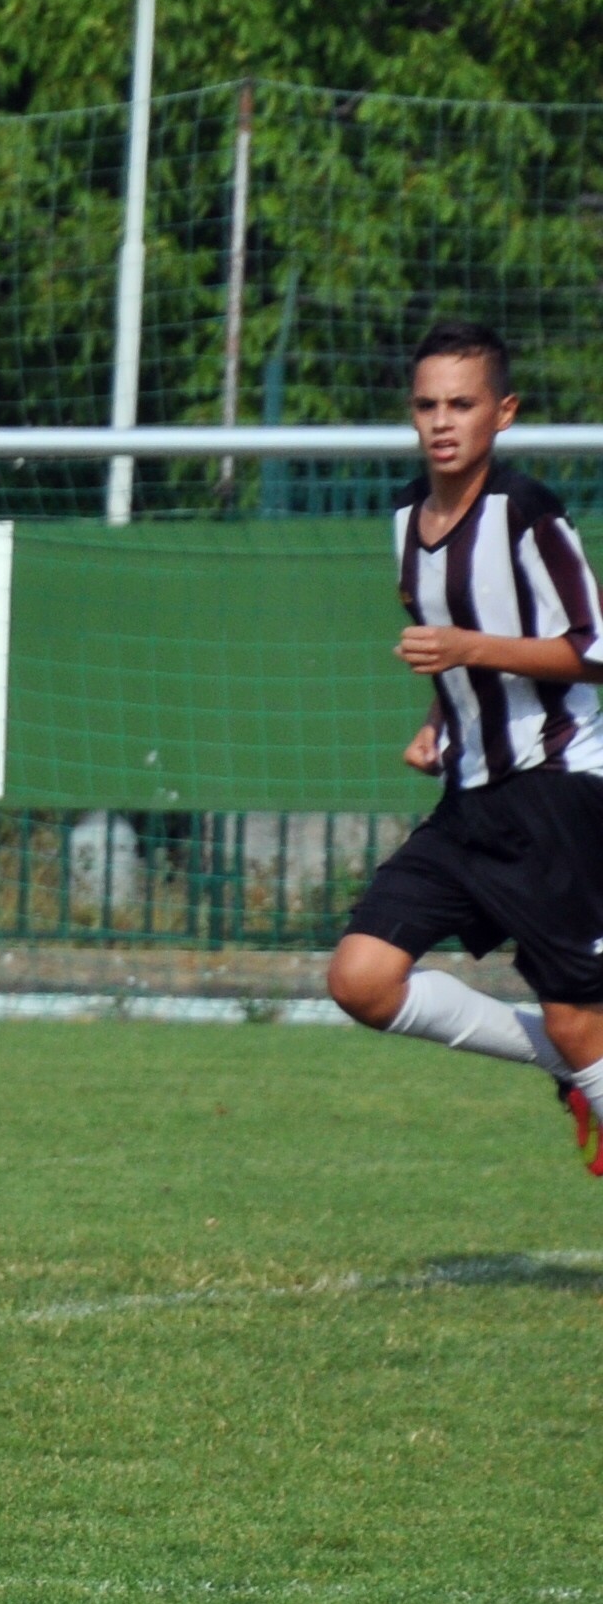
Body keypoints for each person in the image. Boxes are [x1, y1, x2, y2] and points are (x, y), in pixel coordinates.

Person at [318, 323, 603, 1171]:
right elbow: (457, 648)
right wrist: (441, 721)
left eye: (462, 404)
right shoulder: (406, 517)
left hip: (555, 791)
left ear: (502, 413)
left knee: (578, 1021)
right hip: (470, 798)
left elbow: (591, 649)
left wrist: (468, 651)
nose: (443, 421)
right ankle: (574, 1068)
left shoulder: (527, 512)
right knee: (361, 978)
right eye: (427, 405)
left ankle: (581, 1063)